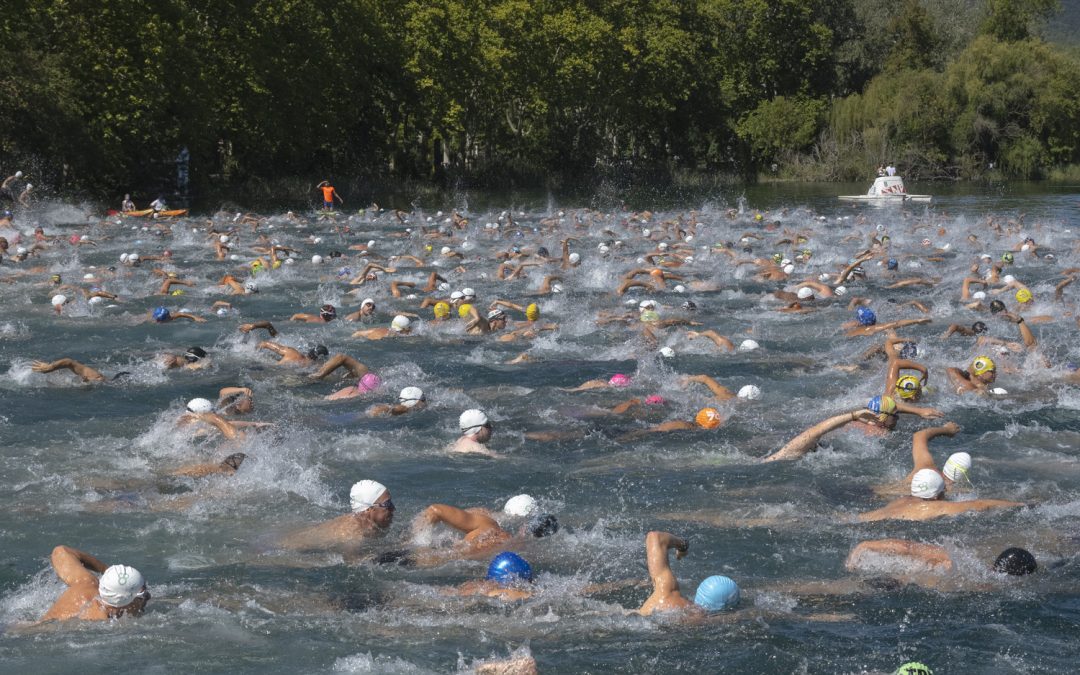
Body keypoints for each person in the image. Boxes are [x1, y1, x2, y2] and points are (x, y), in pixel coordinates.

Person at [763, 396, 943, 462]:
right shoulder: (881, 433)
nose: (897, 419)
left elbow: (816, 431)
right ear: (885, 418)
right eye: (895, 416)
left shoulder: (850, 422)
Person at [857, 468, 1023, 522]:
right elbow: (980, 505)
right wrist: (1020, 505)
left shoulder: (901, 501)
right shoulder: (934, 506)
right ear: (936, 496)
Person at [637, 531, 739, 616]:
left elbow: (655, 536)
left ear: (700, 591)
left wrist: (682, 545)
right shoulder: (707, 620)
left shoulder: (667, 593)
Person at [278, 480, 394, 553]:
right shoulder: (353, 534)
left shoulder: (367, 524)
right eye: (388, 504)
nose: (393, 508)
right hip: (281, 549)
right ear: (369, 509)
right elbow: (354, 564)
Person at [38, 546, 149, 622]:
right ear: (123, 603)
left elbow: (61, 551)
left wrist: (109, 572)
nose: (148, 596)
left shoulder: (86, 584)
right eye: (142, 595)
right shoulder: (96, 624)